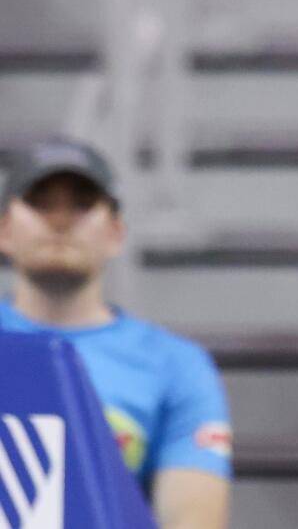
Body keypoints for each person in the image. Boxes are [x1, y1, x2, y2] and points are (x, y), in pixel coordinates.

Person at [0, 138, 232, 529]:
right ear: (4, 230)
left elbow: (194, 520)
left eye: (82, 205)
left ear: (115, 234)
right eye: (41, 203)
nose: (60, 220)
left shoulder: (176, 365)